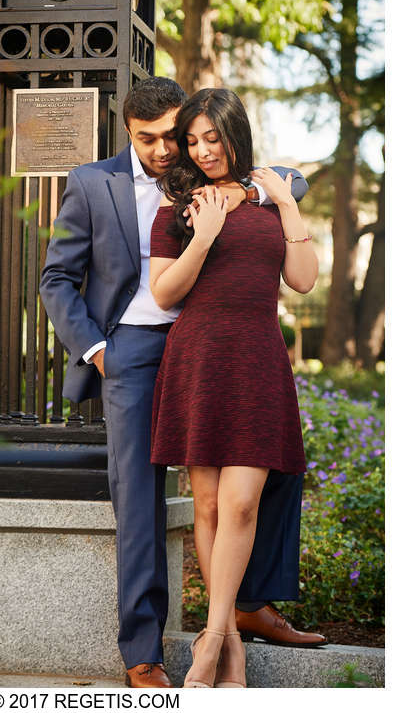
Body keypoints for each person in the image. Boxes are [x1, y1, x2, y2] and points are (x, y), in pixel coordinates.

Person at [40, 77, 324, 689]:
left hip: (229, 345)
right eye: (154, 139)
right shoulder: (95, 183)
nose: (171, 149)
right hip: (137, 348)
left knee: (263, 485)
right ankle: (143, 651)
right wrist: (96, 350)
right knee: (142, 498)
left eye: (181, 135)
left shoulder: (214, 179)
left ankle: (244, 607)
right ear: (128, 132)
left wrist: (280, 191)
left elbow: (281, 176)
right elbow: (57, 277)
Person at [149, 87, 318, 687]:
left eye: (211, 138)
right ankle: (229, 645)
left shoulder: (271, 196)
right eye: (192, 142)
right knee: (212, 505)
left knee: (243, 501)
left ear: (234, 133)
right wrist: (204, 233)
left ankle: (216, 634)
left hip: (257, 360)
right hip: (199, 359)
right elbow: (165, 294)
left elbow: (301, 280)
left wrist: (285, 207)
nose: (202, 150)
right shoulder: (180, 207)